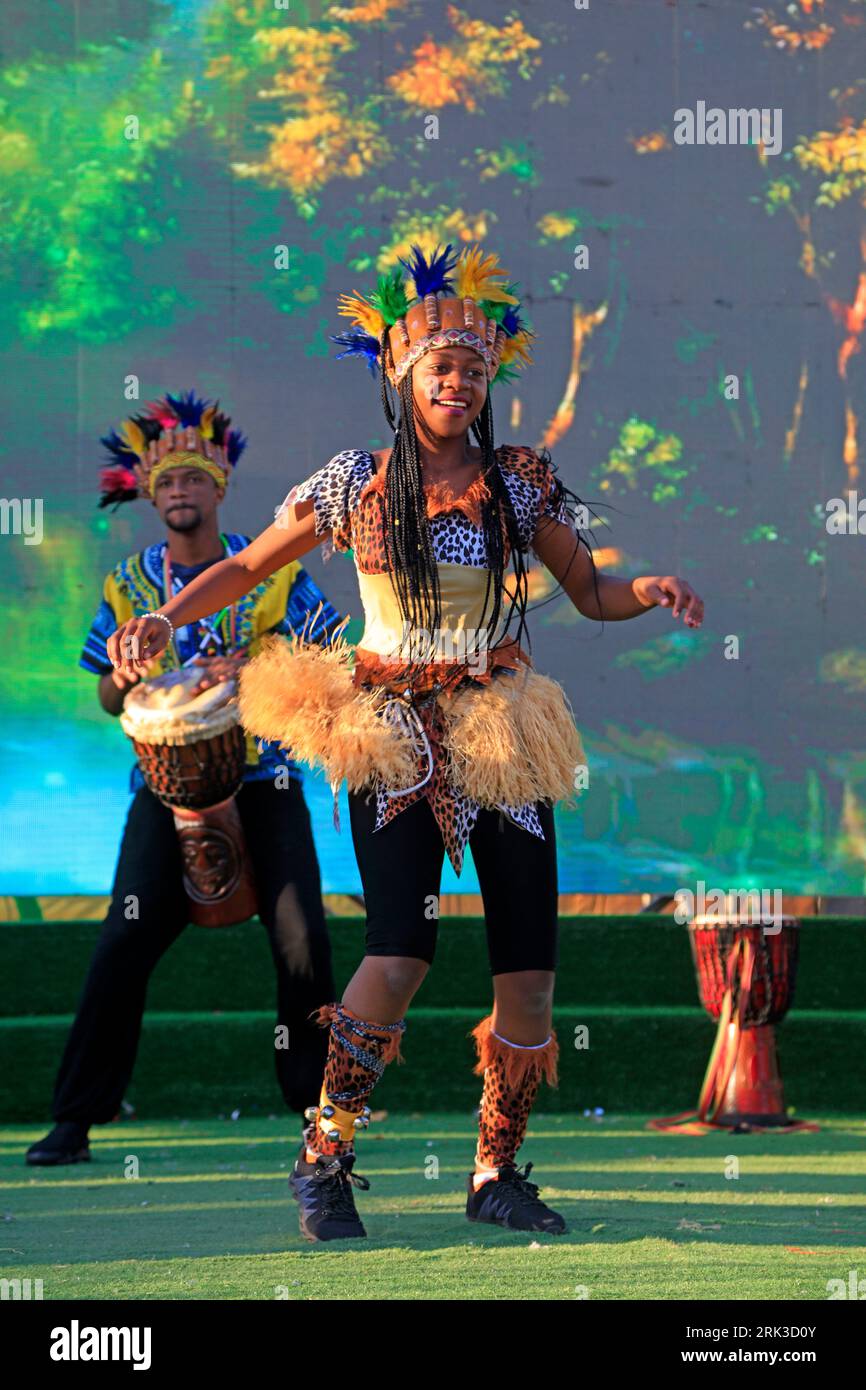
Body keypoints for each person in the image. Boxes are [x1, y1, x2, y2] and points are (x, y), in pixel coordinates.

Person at [105, 247, 704, 1239]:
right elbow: (249, 561)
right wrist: (169, 620)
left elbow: (591, 591)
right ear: (400, 372)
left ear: (487, 381)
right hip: (390, 734)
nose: (457, 383)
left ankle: (495, 1171)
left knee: (528, 966)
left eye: (473, 368)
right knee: (400, 948)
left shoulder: (520, 483)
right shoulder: (351, 484)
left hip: (502, 728)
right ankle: (324, 1154)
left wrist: (647, 591)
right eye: (440, 367)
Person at [26, 390, 344, 1167]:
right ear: (149, 493)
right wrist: (127, 678)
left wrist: (258, 665)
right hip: (163, 794)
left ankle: (320, 1115)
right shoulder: (128, 588)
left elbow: (329, 658)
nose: (179, 492)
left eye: (192, 480)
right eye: (166, 482)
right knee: (123, 942)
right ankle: (76, 1119)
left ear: (218, 488)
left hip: (265, 780)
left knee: (303, 940)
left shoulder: (266, 572)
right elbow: (106, 694)